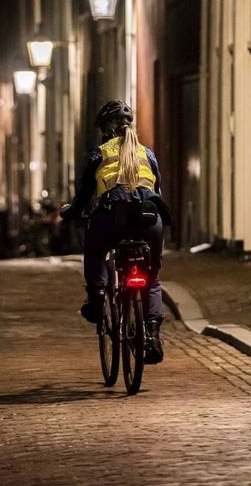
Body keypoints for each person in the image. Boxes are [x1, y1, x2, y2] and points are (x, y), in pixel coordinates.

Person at [61, 100, 172, 364]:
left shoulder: (98, 153)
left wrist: (70, 212)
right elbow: (158, 191)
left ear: (107, 128)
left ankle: (97, 299)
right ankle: (152, 337)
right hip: (149, 218)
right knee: (152, 277)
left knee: (95, 248)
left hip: (113, 217)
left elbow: (84, 196)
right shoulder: (148, 153)